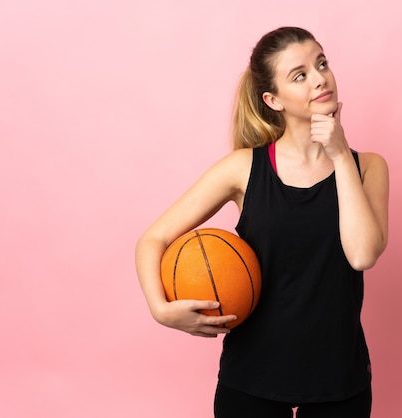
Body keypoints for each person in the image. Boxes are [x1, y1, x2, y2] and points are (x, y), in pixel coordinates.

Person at [135, 26, 389, 418]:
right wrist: (160, 308)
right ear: (273, 99)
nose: (320, 77)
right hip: (252, 378)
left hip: (339, 379)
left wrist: (339, 156)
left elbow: (362, 254)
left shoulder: (368, 166)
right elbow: (153, 239)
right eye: (299, 74)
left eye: (322, 63)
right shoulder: (243, 168)